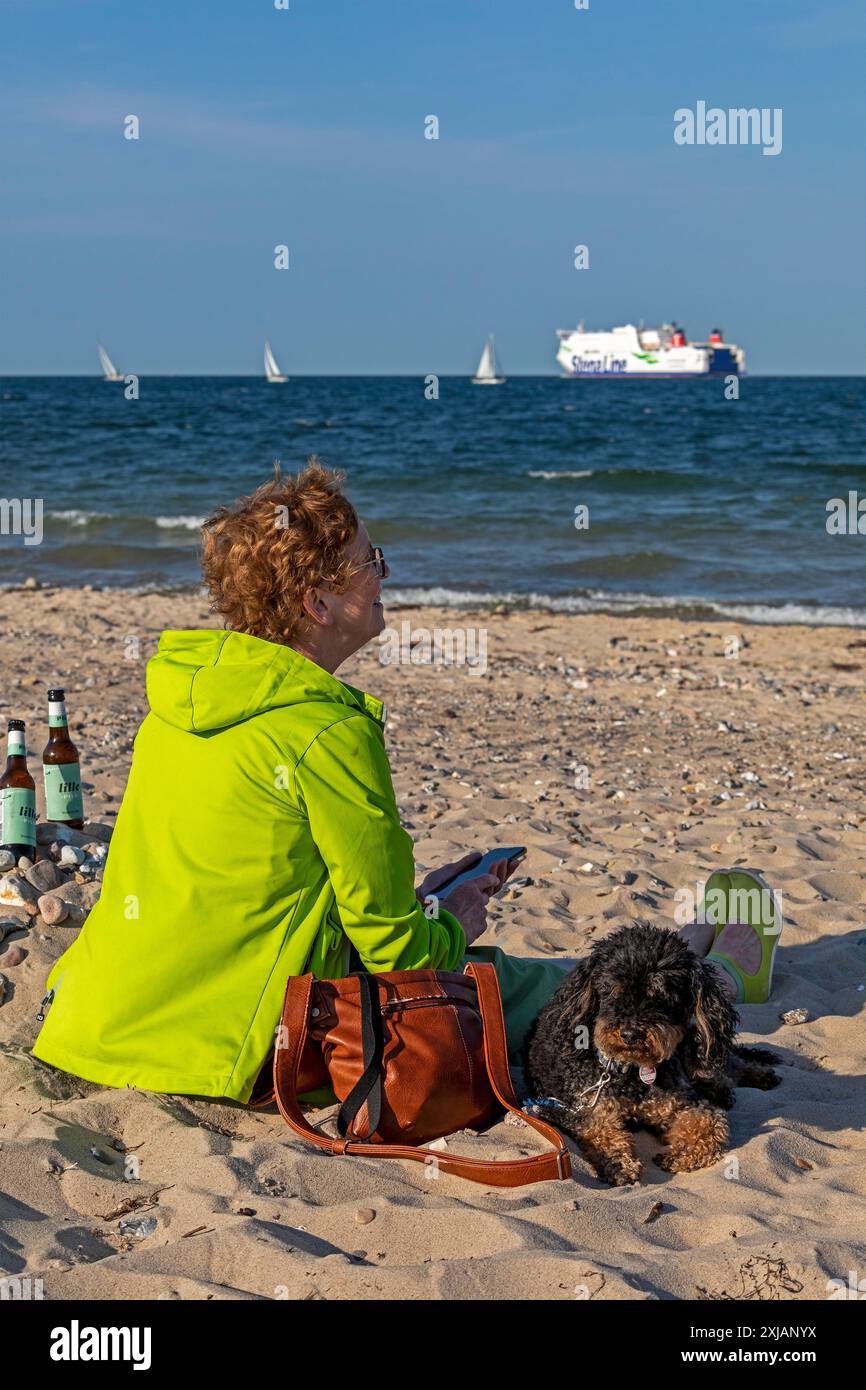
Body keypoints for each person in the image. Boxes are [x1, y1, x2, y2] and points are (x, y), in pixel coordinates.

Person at [32, 461, 570, 1105]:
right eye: (369, 560)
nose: (385, 573)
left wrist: (414, 899)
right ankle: (724, 972)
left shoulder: (178, 707)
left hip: (94, 1024)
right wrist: (452, 919)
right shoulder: (327, 732)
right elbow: (399, 952)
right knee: (518, 983)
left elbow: (239, 888)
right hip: (228, 1053)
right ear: (317, 603)